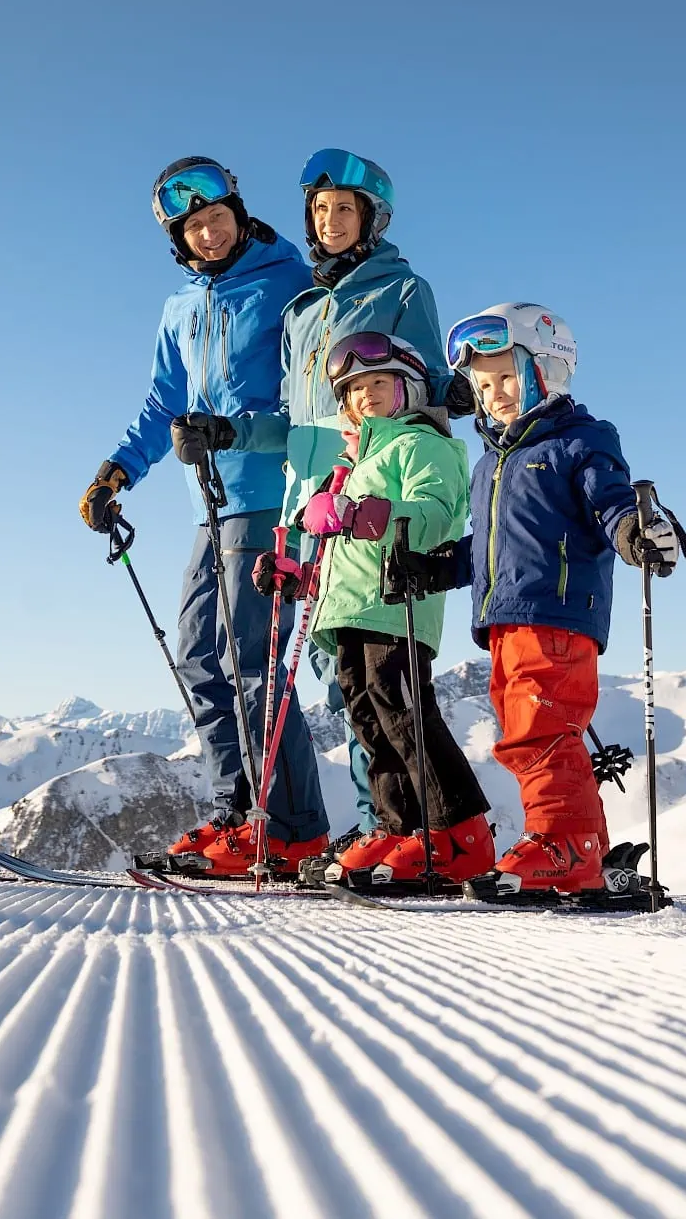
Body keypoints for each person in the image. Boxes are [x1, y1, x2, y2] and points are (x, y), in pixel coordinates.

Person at [181, 149, 450, 851]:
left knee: (357, 671)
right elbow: (299, 419)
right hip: (307, 504)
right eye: (321, 209)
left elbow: (427, 385)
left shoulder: (401, 290)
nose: (330, 221)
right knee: (321, 661)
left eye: (344, 209)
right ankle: (357, 829)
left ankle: (391, 825)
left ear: (371, 218)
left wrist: (438, 438)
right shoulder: (304, 309)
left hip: (369, 495)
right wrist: (231, 429)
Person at [78, 156, 331, 876]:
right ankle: (239, 810)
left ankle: (292, 828)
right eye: (194, 227)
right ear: (179, 240)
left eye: (218, 217)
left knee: (252, 662)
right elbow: (164, 406)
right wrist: (117, 471)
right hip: (209, 506)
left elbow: (314, 396)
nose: (210, 233)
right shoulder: (179, 309)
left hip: (269, 493)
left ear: (240, 212)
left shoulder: (288, 284)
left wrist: (235, 430)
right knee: (197, 655)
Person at [381, 304, 683, 895]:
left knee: (539, 733)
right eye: (483, 382)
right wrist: (433, 567)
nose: (493, 393)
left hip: (556, 612)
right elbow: (490, 550)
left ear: (546, 370)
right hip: (503, 619)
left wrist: (633, 532)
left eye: (507, 377)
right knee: (528, 729)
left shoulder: (581, 441)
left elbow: (612, 501)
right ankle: (582, 844)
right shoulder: (493, 462)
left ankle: (563, 845)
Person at [258, 330, 492, 889]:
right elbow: (341, 550)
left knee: (402, 711)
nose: (366, 395)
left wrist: (367, 513)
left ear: (406, 387)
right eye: (354, 389)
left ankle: (457, 833)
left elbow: (437, 515)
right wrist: (301, 574)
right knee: (366, 717)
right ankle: (397, 826)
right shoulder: (349, 464)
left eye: (378, 382)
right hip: (348, 610)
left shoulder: (421, 445)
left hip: (397, 602)